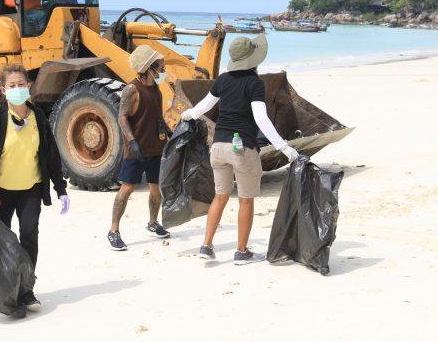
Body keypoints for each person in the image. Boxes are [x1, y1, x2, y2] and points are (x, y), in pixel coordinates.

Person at [180, 34, 300, 265]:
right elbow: (261, 119)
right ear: (253, 60)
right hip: (242, 149)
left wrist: (187, 115)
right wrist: (284, 147)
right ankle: (241, 252)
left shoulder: (223, 80)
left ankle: (206, 245)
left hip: (218, 148)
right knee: (245, 200)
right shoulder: (254, 83)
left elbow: (203, 107)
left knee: (220, 196)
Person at [0, 64, 70, 312]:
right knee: (2, 242)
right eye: (12, 86)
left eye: (21, 84)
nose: (18, 89)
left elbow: (51, 156)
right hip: (1, 191)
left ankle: (26, 290)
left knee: (29, 235)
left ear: (29, 86)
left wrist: (60, 188)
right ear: (3, 90)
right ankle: (6, 290)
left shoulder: (39, 118)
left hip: (30, 190)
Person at [107, 46, 172, 251]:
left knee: (156, 190)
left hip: (156, 147)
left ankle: (153, 223)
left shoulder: (156, 89)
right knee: (127, 189)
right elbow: (122, 117)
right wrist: (132, 141)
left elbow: (158, 117)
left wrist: (170, 133)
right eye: (160, 67)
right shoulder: (131, 90)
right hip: (136, 149)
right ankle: (113, 231)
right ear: (149, 68)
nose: (162, 71)